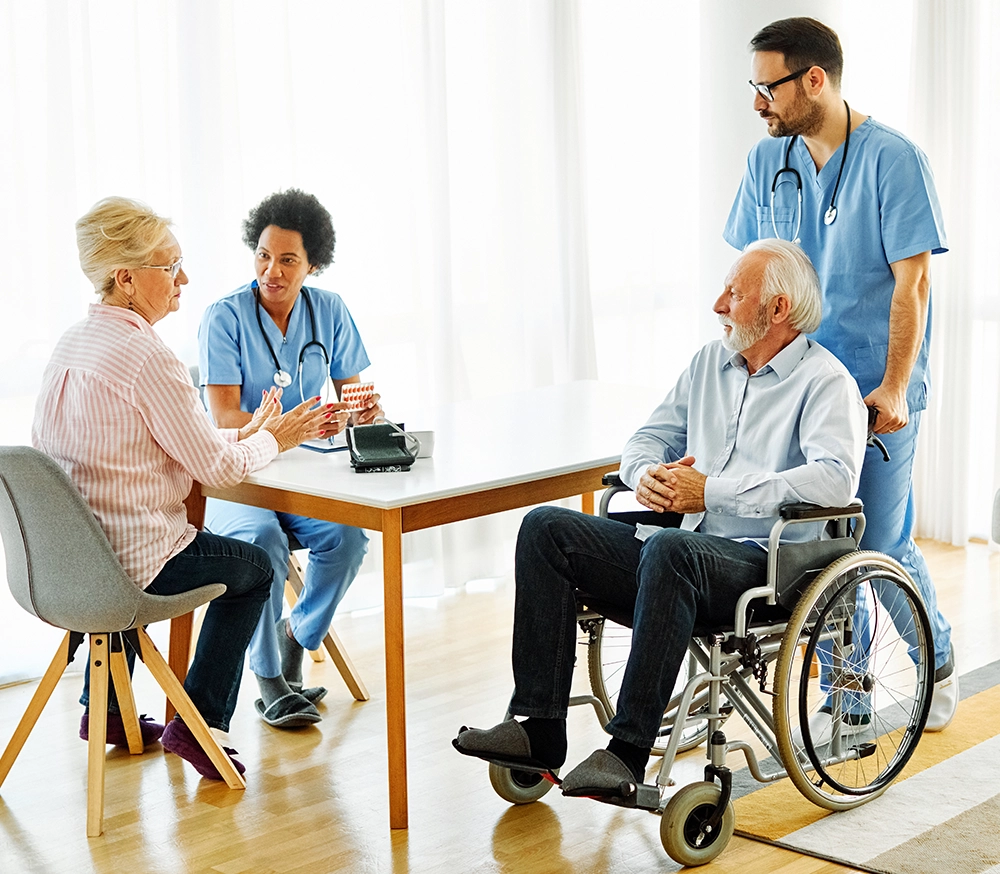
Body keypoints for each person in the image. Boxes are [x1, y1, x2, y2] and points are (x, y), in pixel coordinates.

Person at [453, 239, 868, 796]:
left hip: (765, 565)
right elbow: (648, 437)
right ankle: (538, 728)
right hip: (681, 553)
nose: (718, 304)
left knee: (671, 550)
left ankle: (626, 753)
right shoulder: (708, 364)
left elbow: (834, 480)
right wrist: (643, 473)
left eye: (734, 294)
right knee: (545, 527)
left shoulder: (826, 382)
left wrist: (712, 493)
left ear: (777, 310)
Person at [32, 196, 338, 779]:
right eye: (170, 267)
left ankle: (110, 712)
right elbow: (217, 471)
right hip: (135, 563)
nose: (184, 279)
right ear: (126, 279)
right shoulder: (147, 355)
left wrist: (248, 431)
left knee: (124, 540)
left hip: (70, 564)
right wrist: (277, 438)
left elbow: (179, 443)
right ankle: (201, 725)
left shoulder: (71, 344)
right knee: (253, 570)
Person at [723, 16, 957, 731]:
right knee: (819, 551)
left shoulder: (895, 161)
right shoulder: (770, 163)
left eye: (768, 88)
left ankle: (935, 660)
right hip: (795, 387)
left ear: (814, 80)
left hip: (872, 390)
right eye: (753, 88)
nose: (758, 103)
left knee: (875, 545)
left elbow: (910, 286)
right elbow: (750, 271)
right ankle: (847, 702)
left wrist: (891, 386)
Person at [198, 189, 381, 729]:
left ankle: (297, 633)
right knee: (263, 542)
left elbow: (357, 395)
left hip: (306, 477)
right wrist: (275, 430)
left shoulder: (330, 310)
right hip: (236, 481)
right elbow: (223, 418)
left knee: (347, 539)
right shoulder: (224, 317)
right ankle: (269, 675)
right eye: (262, 255)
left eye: (287, 260)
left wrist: (364, 412)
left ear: (313, 265)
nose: (270, 271)